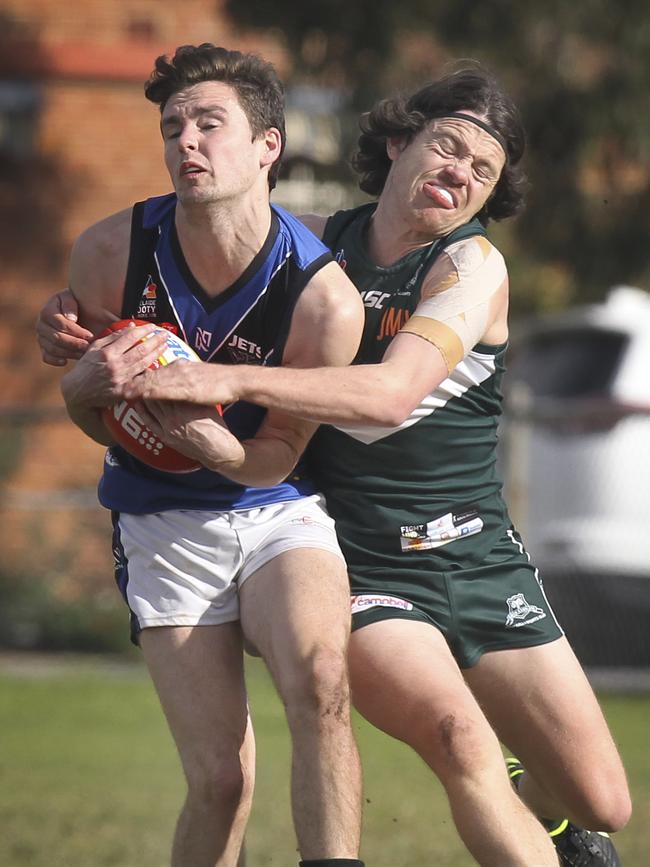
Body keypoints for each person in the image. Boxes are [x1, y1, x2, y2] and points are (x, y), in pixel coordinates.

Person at [37, 66, 631, 865]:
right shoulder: (312, 248)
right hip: (366, 560)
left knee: (603, 801)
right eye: (447, 146)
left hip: (479, 554)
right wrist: (72, 316)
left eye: (482, 171)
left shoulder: (471, 268)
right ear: (396, 144)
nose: (459, 172)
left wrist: (232, 378)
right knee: (458, 737)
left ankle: (546, 809)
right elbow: (202, 254)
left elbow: (389, 395)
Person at [44, 43, 368, 867]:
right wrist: (85, 393)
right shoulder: (110, 252)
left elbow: (270, 460)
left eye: (208, 123)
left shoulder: (322, 296)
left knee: (324, 682)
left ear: (268, 146)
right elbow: (97, 422)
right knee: (222, 780)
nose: (185, 141)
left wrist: (205, 437)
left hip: (272, 507)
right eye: (171, 126)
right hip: (159, 524)